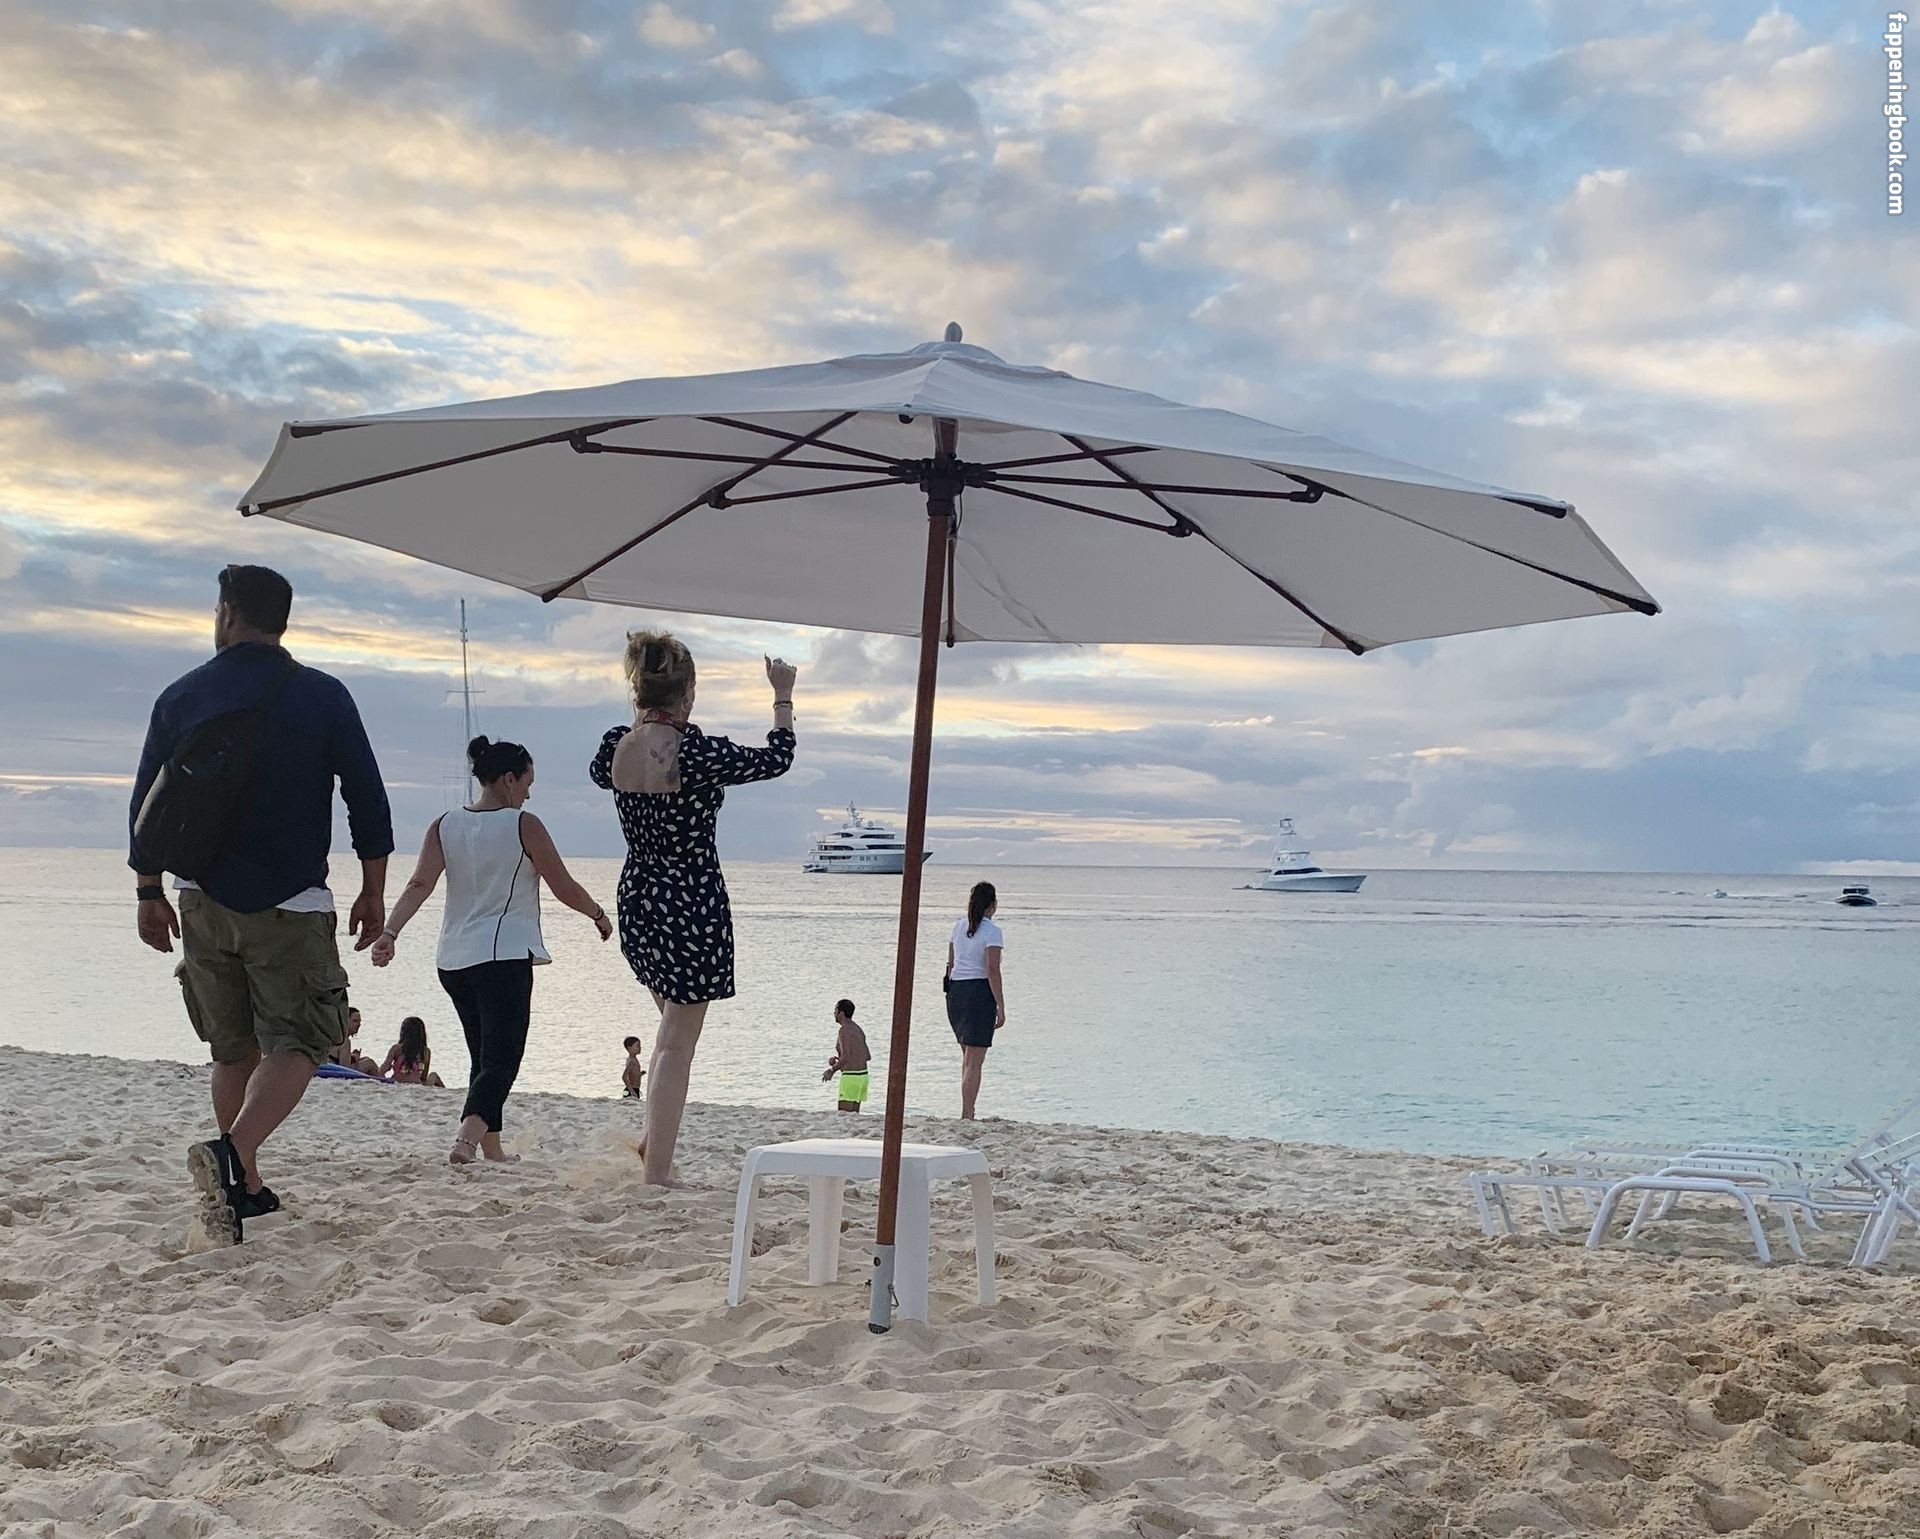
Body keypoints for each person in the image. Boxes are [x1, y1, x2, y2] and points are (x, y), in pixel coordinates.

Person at [132, 564, 392, 1244]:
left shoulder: (182, 695)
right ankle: (234, 1154)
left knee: (233, 1048)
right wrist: (373, 888)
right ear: (282, 619)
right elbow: (366, 797)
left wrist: (148, 890)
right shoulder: (322, 695)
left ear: (227, 612)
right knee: (301, 1041)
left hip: (200, 897)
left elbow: (147, 803)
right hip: (291, 901)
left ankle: (241, 1189)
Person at [591, 631, 795, 1186]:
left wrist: (646, 722)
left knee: (670, 1033)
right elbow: (777, 758)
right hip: (690, 898)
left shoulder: (615, 746)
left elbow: (602, 772)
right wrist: (782, 696)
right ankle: (657, 1171)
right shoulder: (698, 753)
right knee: (675, 1045)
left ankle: (652, 1142)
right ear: (688, 693)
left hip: (639, 895)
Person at [372, 735, 612, 1163]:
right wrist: (597, 913)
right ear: (507, 779)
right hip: (503, 956)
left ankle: (493, 1148)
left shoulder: (444, 824)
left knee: (482, 1057)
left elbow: (419, 884)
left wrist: (391, 932)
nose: (528, 794)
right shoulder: (524, 824)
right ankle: (466, 1140)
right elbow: (561, 884)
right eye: (526, 783)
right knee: (503, 1059)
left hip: (453, 959)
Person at [944, 882, 1006, 1120]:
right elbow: (992, 969)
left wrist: (949, 992)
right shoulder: (992, 932)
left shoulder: (958, 926)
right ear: (992, 905)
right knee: (974, 1061)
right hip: (978, 992)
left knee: (967, 1058)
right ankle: (968, 1112)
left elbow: (951, 964)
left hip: (957, 991)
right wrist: (1000, 1005)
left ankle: (966, 1110)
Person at [820, 997, 870, 1113]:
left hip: (851, 1077)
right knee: (854, 1117)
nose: (834, 1013)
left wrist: (832, 1070)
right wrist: (839, 1059)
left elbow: (847, 1057)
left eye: (835, 1011)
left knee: (844, 1115)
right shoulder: (858, 1029)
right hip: (863, 1076)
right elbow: (867, 1056)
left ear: (841, 1013)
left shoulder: (843, 1030)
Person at [377, 1016, 446, 1087]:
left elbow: (382, 1070)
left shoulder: (397, 1048)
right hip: (417, 1085)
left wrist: (385, 1075)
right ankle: (446, 1092)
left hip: (397, 1082)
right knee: (434, 1075)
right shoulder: (425, 1051)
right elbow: (423, 1077)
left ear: (403, 1033)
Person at [330, 1006, 381, 1075]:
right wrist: (355, 1062)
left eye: (359, 1021)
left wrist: (352, 1057)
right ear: (345, 1021)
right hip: (333, 1072)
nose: (359, 1024)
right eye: (355, 1021)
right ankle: (383, 1079)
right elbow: (345, 1069)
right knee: (369, 1063)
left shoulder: (334, 1036)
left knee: (365, 1058)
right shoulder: (344, 1041)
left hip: (330, 1067)